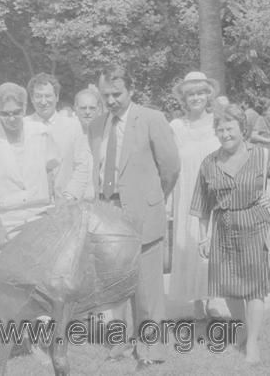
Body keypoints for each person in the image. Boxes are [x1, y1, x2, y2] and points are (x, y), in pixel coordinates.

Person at [88, 65, 180, 369]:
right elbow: (97, 170)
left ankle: (151, 350)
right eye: (106, 95)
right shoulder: (97, 125)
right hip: (108, 218)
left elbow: (170, 168)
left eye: (117, 94)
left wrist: (153, 201)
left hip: (144, 217)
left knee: (147, 290)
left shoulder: (152, 119)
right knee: (116, 289)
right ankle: (119, 348)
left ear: (131, 90)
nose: (112, 100)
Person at [190, 104, 270, 363]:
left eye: (230, 128)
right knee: (229, 288)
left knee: (255, 289)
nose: (225, 134)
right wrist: (204, 236)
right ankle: (244, 330)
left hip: (255, 225)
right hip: (223, 229)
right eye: (220, 129)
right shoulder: (209, 163)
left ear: (242, 129)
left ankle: (253, 344)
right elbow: (202, 205)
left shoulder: (262, 155)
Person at [0, 82, 60, 263]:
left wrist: (52, 209)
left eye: (16, 112)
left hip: (39, 216)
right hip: (4, 219)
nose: (11, 118)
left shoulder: (41, 132)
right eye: (5, 113)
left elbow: (50, 171)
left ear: (24, 108)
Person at [167, 72, 228, 319]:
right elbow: (170, 164)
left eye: (201, 92)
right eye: (191, 93)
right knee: (190, 242)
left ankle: (213, 297)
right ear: (184, 97)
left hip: (216, 192)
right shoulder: (176, 127)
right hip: (187, 192)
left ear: (209, 94)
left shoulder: (219, 122)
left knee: (213, 242)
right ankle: (195, 298)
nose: (196, 97)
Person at [26, 73, 90, 201]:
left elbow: (82, 165)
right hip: (32, 204)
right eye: (38, 96)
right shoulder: (23, 127)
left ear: (57, 97)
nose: (43, 102)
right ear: (32, 99)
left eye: (48, 96)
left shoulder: (73, 126)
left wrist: (70, 196)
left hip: (67, 202)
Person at [73, 88, 104, 201]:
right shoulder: (67, 137)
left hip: (100, 204)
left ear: (99, 110)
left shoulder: (106, 139)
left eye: (92, 108)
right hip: (71, 203)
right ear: (75, 109)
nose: (87, 112)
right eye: (83, 108)